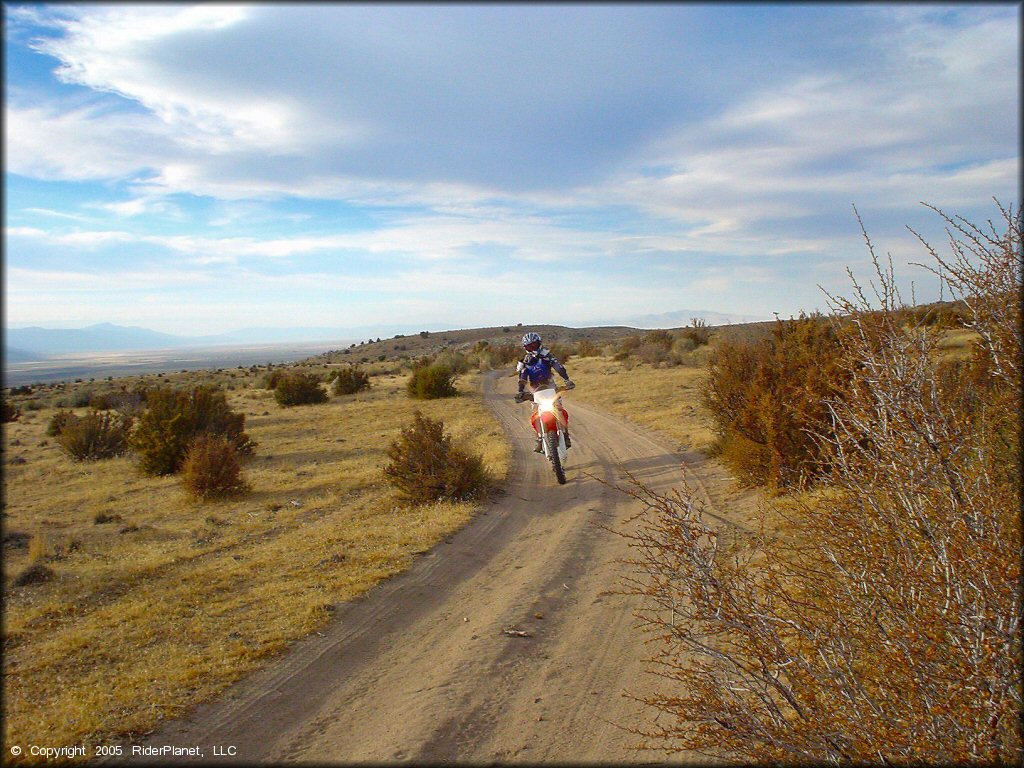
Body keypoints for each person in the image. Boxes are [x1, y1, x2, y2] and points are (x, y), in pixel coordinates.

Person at [515, 332, 575, 452]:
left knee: (560, 410)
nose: (532, 348)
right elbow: (522, 377)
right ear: (525, 348)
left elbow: (559, 367)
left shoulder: (547, 356)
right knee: (535, 415)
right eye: (529, 346)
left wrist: (567, 380)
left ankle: (566, 434)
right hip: (535, 391)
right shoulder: (524, 362)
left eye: (534, 345)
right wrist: (520, 392)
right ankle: (538, 439)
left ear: (539, 344)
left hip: (551, 388)